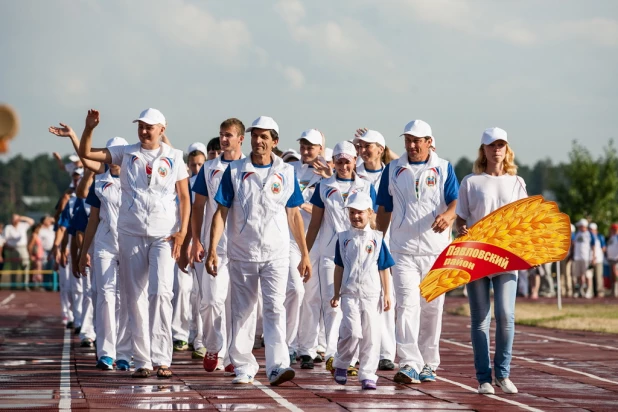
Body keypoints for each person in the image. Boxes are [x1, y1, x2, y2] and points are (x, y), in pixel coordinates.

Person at [79, 108, 190, 379]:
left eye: (149, 127)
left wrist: (182, 233)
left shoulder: (175, 157)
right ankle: (142, 360)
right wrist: (89, 128)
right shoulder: (125, 152)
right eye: (141, 126)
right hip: (130, 234)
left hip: (164, 235)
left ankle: (163, 358)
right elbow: (86, 154)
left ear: (162, 129)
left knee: (161, 293)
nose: (143, 131)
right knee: (134, 297)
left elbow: (184, 197)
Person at [205, 115, 311, 386]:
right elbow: (221, 212)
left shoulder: (286, 172)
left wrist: (305, 254)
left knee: (275, 308)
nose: (258, 140)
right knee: (243, 311)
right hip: (243, 253)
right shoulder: (235, 171)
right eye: (255, 135)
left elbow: (295, 215)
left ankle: (277, 365)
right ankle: (243, 365)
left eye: (265, 136)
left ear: (275, 142)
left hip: (276, 253)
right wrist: (213, 250)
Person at [376, 120, 459, 385]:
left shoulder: (443, 167)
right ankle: (410, 363)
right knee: (407, 305)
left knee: (432, 308)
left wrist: (448, 214)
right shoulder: (392, 169)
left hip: (436, 251)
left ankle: (429, 363)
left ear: (429, 142)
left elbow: (457, 201)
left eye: (417, 140)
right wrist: (378, 241)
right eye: (408, 140)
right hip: (403, 250)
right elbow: (383, 209)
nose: (412, 145)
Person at [455, 127, 527, 395]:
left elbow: (525, 220)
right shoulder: (470, 182)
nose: (497, 149)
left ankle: (503, 373)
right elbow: (461, 216)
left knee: (506, 315)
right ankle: (484, 378)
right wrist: (461, 229)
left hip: (506, 256)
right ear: (483, 150)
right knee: (480, 319)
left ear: (507, 149)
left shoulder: (517, 182)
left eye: (501, 145)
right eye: (491, 145)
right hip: (477, 256)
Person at [305, 140, 377, 374]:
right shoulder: (324, 186)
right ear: (332, 162)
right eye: (339, 161)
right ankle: (332, 354)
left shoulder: (366, 187)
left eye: (347, 161)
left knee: (356, 308)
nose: (343, 166)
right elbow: (315, 224)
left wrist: (378, 250)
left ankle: (351, 359)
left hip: (360, 258)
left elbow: (374, 222)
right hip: (330, 254)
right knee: (333, 306)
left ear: (355, 161)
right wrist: (305, 254)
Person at [190, 118, 245, 374]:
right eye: (222, 135)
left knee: (238, 306)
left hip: (244, 247)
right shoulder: (209, 168)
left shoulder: (248, 167)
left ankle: (234, 354)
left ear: (240, 139)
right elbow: (198, 205)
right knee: (211, 300)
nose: (224, 139)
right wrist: (196, 240)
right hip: (215, 247)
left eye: (229, 135)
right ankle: (213, 345)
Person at [78, 136, 132, 370]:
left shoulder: (136, 179)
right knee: (106, 296)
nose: (114, 160)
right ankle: (106, 353)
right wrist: (83, 253)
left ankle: (124, 353)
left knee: (127, 298)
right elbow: (92, 220)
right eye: (111, 155)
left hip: (130, 243)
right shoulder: (100, 181)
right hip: (105, 244)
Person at [330, 192, 394, 390]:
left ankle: (367, 374)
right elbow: (339, 267)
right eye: (352, 212)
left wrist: (387, 294)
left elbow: (384, 268)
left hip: (371, 294)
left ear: (369, 213)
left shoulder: (377, 239)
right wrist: (336, 293)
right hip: (349, 293)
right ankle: (341, 363)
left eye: (360, 212)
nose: (356, 216)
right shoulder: (343, 239)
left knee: (371, 336)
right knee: (353, 332)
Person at [353, 129, 396, 371]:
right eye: (361, 145)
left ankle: (386, 352)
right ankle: (362, 350)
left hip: (387, 237)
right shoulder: (355, 174)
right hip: (361, 241)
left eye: (369, 145)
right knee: (359, 296)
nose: (364, 149)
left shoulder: (390, 172)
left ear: (380, 148)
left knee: (386, 298)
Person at [289, 129, 328, 369]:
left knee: (312, 297)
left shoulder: (328, 175)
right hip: (292, 241)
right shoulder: (291, 171)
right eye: (303, 145)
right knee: (295, 292)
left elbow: (334, 210)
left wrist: (310, 208)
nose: (305, 150)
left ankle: (307, 348)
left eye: (311, 146)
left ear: (321, 149)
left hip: (316, 242)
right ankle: (290, 345)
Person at [172, 142, 207, 353]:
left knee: (201, 294)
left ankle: (199, 337)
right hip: (182, 242)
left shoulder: (206, 184)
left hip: (200, 243)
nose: (197, 169)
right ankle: (180, 334)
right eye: (193, 165)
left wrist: (197, 241)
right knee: (182, 290)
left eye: (201, 164)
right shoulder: (182, 185)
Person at [3, 214, 35, 289]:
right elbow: (4, 239)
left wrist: (22, 218)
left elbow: (32, 222)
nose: (15, 220)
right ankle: (13, 285)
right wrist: (8, 247)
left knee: (25, 265)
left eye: (16, 219)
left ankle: (25, 285)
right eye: (14, 219)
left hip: (22, 248)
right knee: (14, 268)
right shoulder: (8, 227)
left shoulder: (23, 225)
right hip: (12, 249)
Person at [571, 219, 595, 299]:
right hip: (577, 258)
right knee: (578, 276)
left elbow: (593, 246)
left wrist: (593, 257)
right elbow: (574, 244)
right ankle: (579, 291)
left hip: (586, 258)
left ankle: (588, 291)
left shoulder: (589, 234)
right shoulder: (577, 234)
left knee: (587, 276)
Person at [589, 223, 606, 298]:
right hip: (589, 260)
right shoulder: (587, 236)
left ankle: (600, 292)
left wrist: (596, 257)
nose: (590, 231)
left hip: (598, 260)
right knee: (590, 277)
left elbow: (603, 248)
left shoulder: (600, 237)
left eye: (592, 229)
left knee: (598, 276)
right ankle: (592, 292)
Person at [28, 223, 45, 290]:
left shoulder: (37, 235)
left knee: (38, 269)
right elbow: (30, 246)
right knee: (36, 270)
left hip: (39, 255)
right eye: (38, 228)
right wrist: (31, 255)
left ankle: (37, 284)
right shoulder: (34, 236)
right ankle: (36, 284)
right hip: (36, 256)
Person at [606, 223, 618, 297]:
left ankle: (616, 290)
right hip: (611, 259)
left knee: (615, 274)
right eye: (613, 229)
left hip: (616, 259)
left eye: (615, 229)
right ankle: (613, 291)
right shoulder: (611, 237)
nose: (613, 231)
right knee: (612, 275)